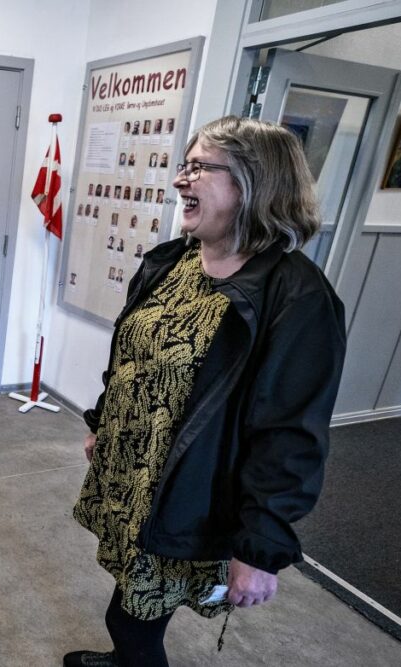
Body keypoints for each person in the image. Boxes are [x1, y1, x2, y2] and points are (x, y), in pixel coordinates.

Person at [64, 116, 346, 667]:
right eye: (184, 164)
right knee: (132, 595)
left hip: (190, 491)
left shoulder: (297, 297)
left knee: (131, 619)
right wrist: (103, 423)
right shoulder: (173, 261)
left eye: (199, 167)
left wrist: (260, 546)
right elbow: (131, 356)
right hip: (133, 477)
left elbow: (290, 433)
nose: (179, 180)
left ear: (253, 183)